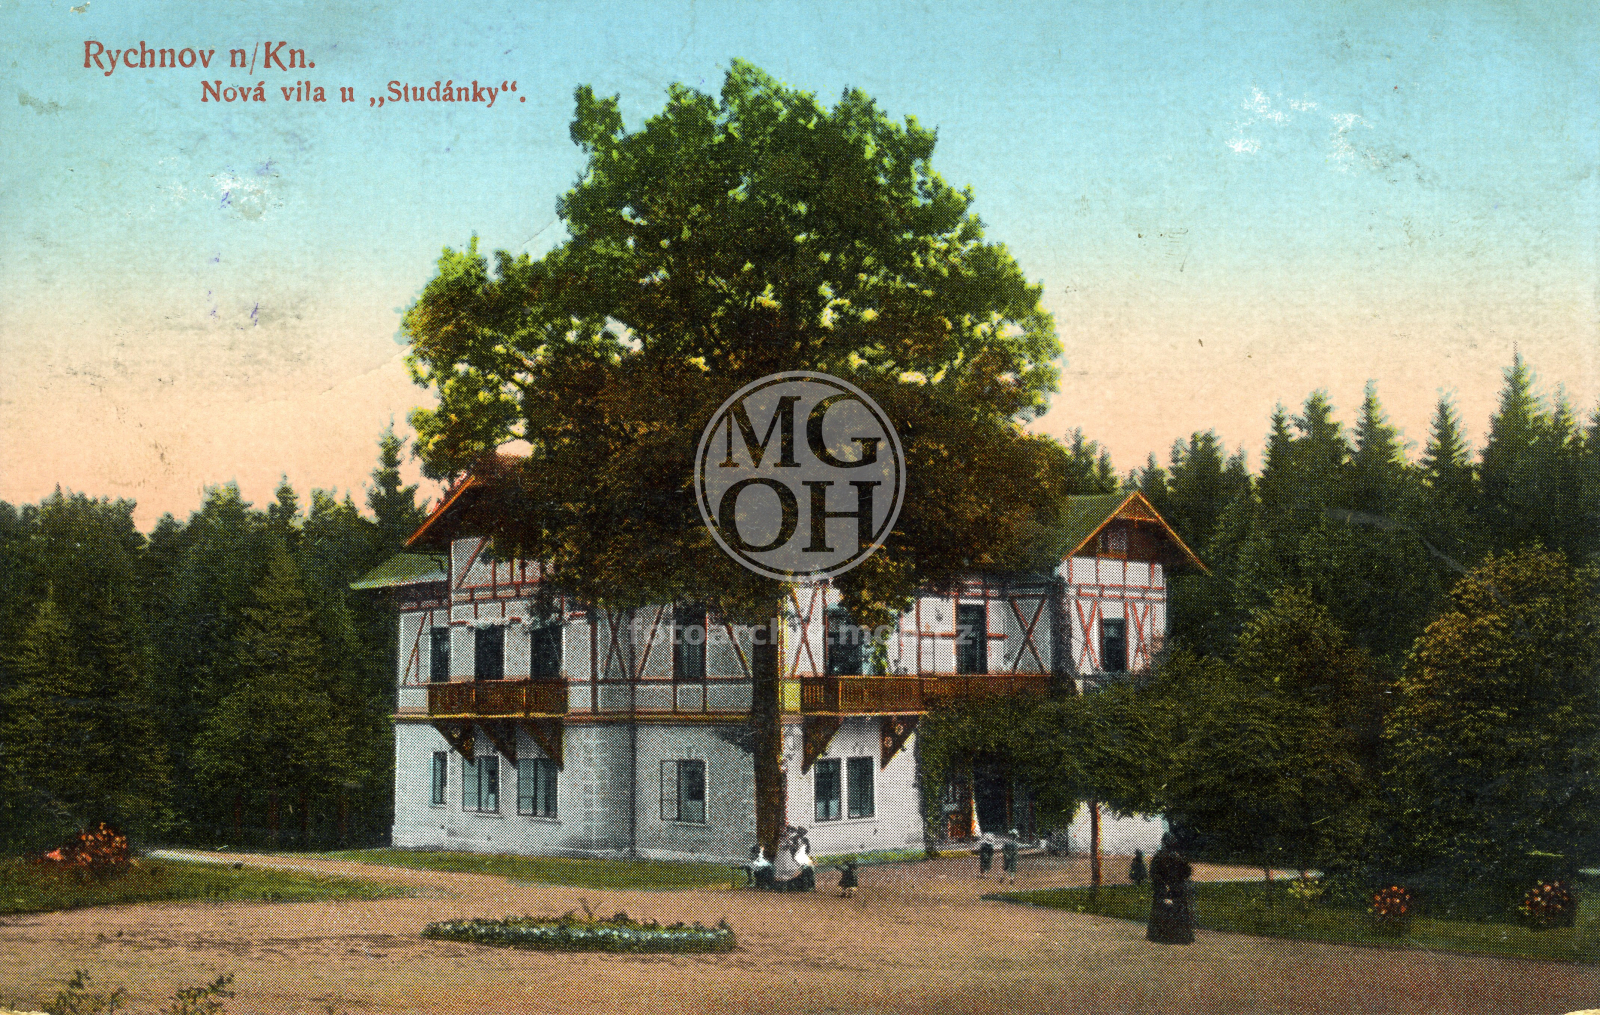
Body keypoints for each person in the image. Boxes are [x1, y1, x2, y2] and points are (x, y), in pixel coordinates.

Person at [1146, 832, 1196, 945]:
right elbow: (1187, 872)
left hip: (1165, 889)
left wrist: (1162, 884)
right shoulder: (1178, 856)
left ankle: (1160, 936)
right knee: (1178, 911)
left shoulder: (1159, 857)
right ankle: (1180, 937)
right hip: (1177, 889)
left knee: (1163, 911)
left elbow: (1154, 874)